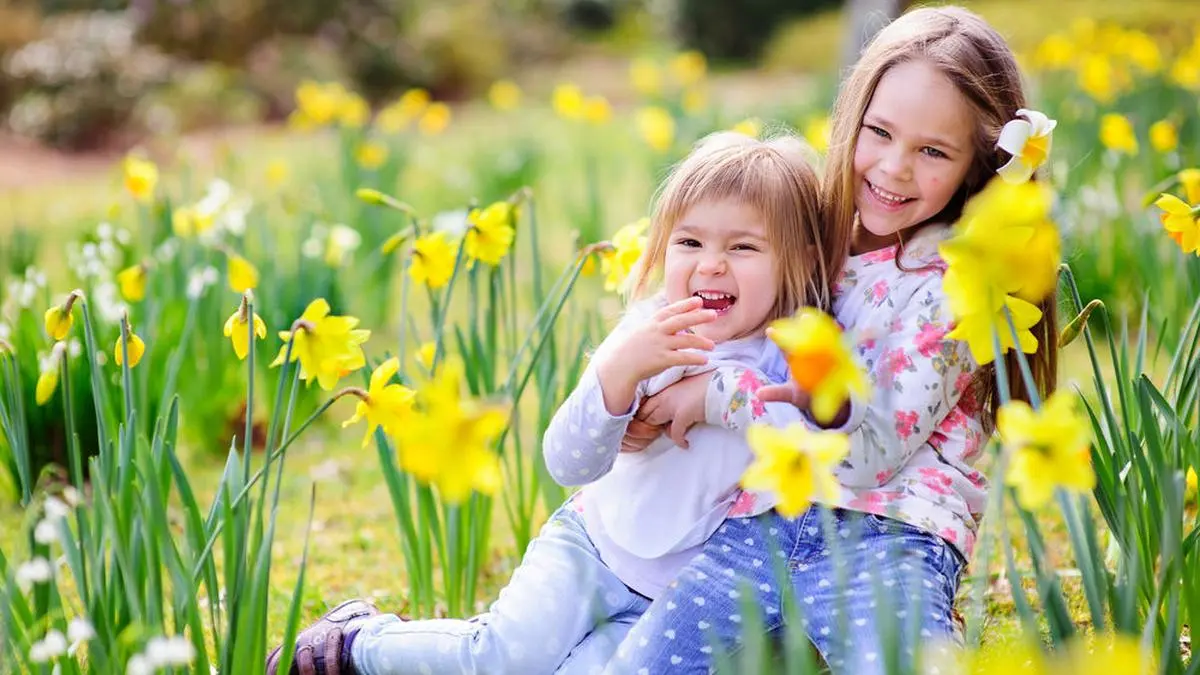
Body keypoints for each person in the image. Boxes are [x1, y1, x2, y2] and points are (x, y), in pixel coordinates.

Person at [265, 130, 833, 675]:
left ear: (801, 261)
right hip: (590, 543)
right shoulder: (649, 334)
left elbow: (813, 448)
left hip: (672, 600)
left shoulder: (793, 356)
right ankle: (358, 643)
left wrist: (714, 396)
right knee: (503, 658)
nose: (711, 264)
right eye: (690, 242)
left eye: (743, 247)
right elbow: (567, 462)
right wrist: (615, 376)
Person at [602, 6, 1059, 674]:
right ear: (852, 120)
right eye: (880, 133)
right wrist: (639, 396)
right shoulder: (814, 237)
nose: (895, 169)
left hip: (893, 536)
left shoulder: (965, 286)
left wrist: (715, 395)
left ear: (977, 167)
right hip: (761, 519)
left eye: (933, 151)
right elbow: (712, 299)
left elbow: (868, 455)